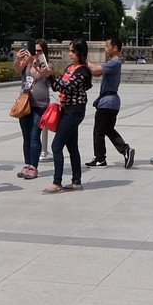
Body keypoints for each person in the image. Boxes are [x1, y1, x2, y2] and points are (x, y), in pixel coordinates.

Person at [42, 38, 91, 193]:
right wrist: (47, 75)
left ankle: (57, 182)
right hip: (66, 109)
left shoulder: (82, 71)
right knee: (72, 146)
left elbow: (65, 87)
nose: (70, 54)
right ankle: (76, 182)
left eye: (73, 51)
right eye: (70, 50)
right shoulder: (70, 68)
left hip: (74, 111)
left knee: (56, 146)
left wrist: (50, 76)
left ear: (81, 53)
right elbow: (59, 86)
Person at [86, 34, 134, 169]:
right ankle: (125, 150)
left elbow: (95, 70)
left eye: (107, 46)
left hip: (107, 102)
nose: (105, 49)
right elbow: (96, 73)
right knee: (108, 129)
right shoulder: (112, 64)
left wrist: (84, 61)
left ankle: (100, 158)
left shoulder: (114, 63)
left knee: (98, 131)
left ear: (115, 48)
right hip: (110, 102)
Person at [13, 39, 51, 180]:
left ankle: (33, 166)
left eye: (40, 51)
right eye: (35, 51)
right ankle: (27, 163)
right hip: (25, 104)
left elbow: (48, 73)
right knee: (26, 136)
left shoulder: (47, 64)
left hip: (40, 105)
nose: (37, 53)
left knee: (35, 135)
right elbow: (17, 68)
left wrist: (36, 62)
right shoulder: (26, 64)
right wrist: (19, 59)